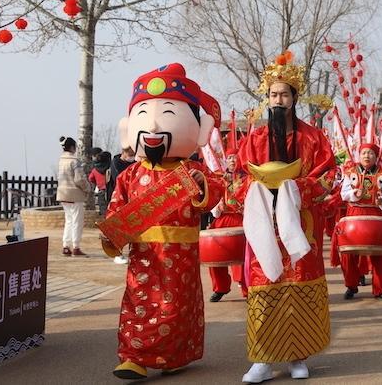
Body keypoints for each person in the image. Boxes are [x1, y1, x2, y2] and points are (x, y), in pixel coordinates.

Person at [103, 63, 224, 380]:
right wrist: (112, 233)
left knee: (176, 307)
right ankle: (133, 356)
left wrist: (200, 185)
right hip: (144, 255)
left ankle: (174, 355)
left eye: (169, 114)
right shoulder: (130, 174)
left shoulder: (190, 171)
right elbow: (117, 208)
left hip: (180, 256)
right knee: (139, 302)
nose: (154, 126)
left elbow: (212, 198)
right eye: (143, 115)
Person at [236, 51, 336, 383]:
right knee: (266, 284)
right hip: (266, 224)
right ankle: (263, 359)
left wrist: (294, 190)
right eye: (273, 95)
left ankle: (298, 355)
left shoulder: (314, 138)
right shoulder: (255, 138)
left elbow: (327, 178)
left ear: (295, 98)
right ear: (268, 98)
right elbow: (239, 178)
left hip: (302, 225)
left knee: (300, 284)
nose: (279, 100)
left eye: (285, 94)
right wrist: (261, 189)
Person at [338, 143, 382, 299]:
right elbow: (343, 193)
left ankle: (380, 289)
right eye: (364, 153)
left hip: (377, 213)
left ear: (376, 156)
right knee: (348, 253)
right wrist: (354, 193)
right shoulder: (350, 172)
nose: (367, 156)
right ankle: (351, 285)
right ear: (359, 155)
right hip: (355, 214)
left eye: (370, 153)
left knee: (380, 254)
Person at [207, 148, 248, 302]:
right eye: (229, 157)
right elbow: (212, 199)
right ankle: (220, 287)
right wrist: (216, 206)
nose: (232, 160)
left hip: (240, 219)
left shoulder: (247, 178)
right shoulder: (219, 178)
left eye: (235, 157)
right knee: (214, 255)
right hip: (222, 220)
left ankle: (246, 288)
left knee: (243, 256)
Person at [56, 136, 90, 256]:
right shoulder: (74, 161)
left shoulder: (61, 161)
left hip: (63, 194)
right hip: (75, 195)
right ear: (71, 147)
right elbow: (79, 179)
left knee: (69, 221)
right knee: (77, 221)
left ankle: (66, 246)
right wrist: (87, 188)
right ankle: (76, 246)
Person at [89, 150, 111, 215]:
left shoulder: (95, 170)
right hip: (110, 191)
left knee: (103, 210)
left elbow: (90, 178)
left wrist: (97, 182)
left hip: (101, 192)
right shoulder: (110, 168)